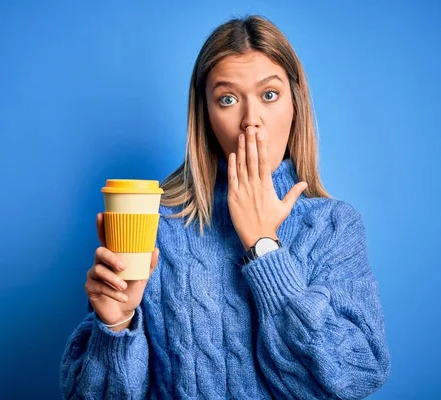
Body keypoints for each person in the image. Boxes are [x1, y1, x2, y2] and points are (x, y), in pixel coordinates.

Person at [60, 15, 390, 399]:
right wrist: (115, 328)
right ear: (206, 116)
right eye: (228, 99)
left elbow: (355, 376)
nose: (252, 122)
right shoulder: (155, 225)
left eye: (269, 95)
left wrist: (264, 247)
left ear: (295, 104)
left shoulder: (334, 225)